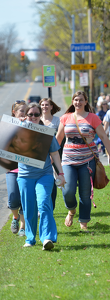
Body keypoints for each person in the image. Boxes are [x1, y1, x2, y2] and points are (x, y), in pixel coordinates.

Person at [56, 91, 110, 231]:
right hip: (68, 161)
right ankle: (71, 210)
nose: (78, 102)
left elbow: (104, 137)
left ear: (85, 102)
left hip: (88, 161)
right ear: (72, 101)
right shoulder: (65, 118)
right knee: (68, 191)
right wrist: (49, 156)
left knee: (85, 193)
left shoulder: (93, 118)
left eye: (81, 100)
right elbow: (58, 140)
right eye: (76, 100)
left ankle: (83, 222)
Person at [17, 103, 66, 250]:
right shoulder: (18, 131)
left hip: (44, 174)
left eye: (36, 114)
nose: (33, 117)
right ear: (26, 115)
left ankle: (47, 238)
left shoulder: (46, 133)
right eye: (30, 114)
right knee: (29, 208)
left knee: (44, 203)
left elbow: (55, 154)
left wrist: (61, 173)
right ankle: (30, 238)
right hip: (25, 176)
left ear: (40, 116)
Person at [7, 101, 27, 236]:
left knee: (25, 198)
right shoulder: (7, 125)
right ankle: (15, 217)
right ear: (14, 112)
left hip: (27, 168)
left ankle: (22, 227)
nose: (24, 115)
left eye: (26, 112)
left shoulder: (31, 124)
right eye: (22, 112)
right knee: (13, 197)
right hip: (12, 167)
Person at [40, 98, 61, 210]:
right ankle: (41, 207)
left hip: (53, 154)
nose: (44, 107)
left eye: (47, 105)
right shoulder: (36, 120)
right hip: (39, 156)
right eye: (42, 105)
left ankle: (50, 207)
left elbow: (60, 138)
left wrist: (52, 156)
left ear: (51, 107)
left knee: (53, 182)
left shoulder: (57, 121)